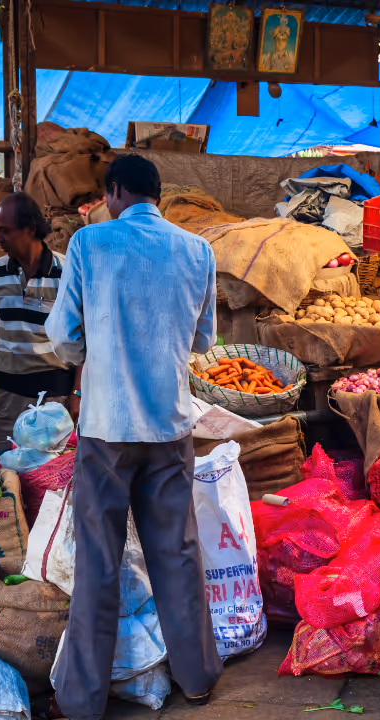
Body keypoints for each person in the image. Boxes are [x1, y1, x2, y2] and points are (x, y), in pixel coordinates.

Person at [45, 154, 221, 719]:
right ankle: (197, 677)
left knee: (98, 563)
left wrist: (94, 351)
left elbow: (64, 336)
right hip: (169, 426)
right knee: (178, 554)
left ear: (115, 192)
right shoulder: (197, 250)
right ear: (158, 194)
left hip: (107, 429)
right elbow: (203, 340)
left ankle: (81, 700)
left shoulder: (90, 245)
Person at [0, 193, 81, 449]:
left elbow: (85, 336)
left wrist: (77, 393)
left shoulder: (67, 272)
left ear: (30, 228)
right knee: (7, 470)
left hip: (56, 398)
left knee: (51, 475)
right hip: (9, 395)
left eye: (4, 230)